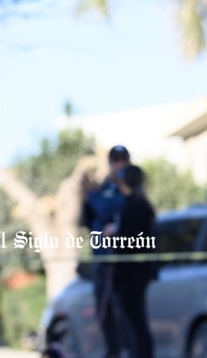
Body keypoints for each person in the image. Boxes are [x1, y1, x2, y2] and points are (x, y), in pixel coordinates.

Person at [81, 145, 130, 358]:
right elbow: (89, 219)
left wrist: (93, 198)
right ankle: (113, 351)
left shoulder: (129, 186)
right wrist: (87, 196)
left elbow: (109, 208)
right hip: (101, 262)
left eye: (122, 159)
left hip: (121, 264)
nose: (119, 164)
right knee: (104, 314)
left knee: (124, 314)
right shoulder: (102, 188)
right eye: (115, 160)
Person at [110, 164, 156, 358]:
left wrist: (113, 235)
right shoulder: (137, 204)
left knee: (135, 326)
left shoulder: (135, 206)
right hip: (133, 274)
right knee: (134, 324)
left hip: (132, 275)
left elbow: (131, 240)